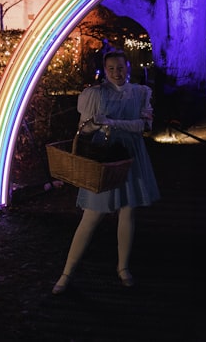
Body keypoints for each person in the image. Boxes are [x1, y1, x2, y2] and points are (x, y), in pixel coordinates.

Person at [52, 51, 159, 294]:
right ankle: (66, 273)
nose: (116, 72)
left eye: (120, 67)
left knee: (128, 211)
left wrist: (111, 122)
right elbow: (85, 128)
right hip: (105, 155)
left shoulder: (141, 93)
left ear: (127, 67)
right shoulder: (96, 94)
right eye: (111, 68)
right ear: (105, 70)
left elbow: (144, 126)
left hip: (130, 155)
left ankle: (123, 267)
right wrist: (96, 123)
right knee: (91, 215)